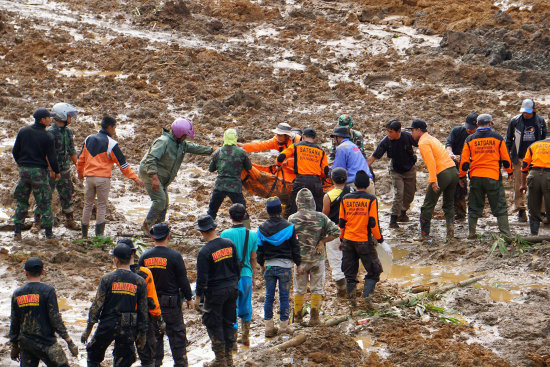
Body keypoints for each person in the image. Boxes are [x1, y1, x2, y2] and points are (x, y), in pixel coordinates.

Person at [139, 118, 212, 234]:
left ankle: (159, 228)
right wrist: (154, 178)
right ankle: (146, 226)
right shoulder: (163, 142)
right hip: (150, 173)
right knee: (160, 200)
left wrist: (213, 150)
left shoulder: (181, 144)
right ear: (178, 134)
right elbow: (150, 159)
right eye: (184, 136)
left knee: (165, 202)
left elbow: (196, 148)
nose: (185, 139)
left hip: (162, 177)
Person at [81, 243, 148, 367]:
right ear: (130, 258)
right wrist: (142, 333)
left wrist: (88, 328)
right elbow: (143, 310)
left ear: (116, 260)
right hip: (128, 327)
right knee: (123, 360)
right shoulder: (140, 281)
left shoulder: (107, 279)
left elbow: (97, 305)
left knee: (93, 356)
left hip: (107, 324)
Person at [77, 116, 144, 238]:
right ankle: (99, 236)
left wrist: (80, 173)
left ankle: (84, 236)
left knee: (87, 205)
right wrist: (135, 178)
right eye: (114, 128)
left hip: (89, 178)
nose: (115, 131)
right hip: (103, 179)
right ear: (109, 127)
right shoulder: (111, 144)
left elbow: (80, 159)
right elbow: (122, 164)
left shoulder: (88, 139)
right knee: (101, 206)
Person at [139, 222, 194, 367]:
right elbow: (183, 279)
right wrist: (189, 298)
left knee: (154, 340)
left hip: (151, 306)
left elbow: (139, 282)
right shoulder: (175, 256)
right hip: (171, 306)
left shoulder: (144, 257)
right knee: (177, 338)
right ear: (169, 236)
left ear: (152, 238)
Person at [9, 257, 78, 367]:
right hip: (46, 343)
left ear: (25, 273)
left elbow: (14, 320)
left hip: (26, 343)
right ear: (43, 272)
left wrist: (14, 345)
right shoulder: (48, 290)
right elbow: (55, 318)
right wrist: (68, 341)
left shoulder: (18, 293)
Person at [289, 188, 340, 326]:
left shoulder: (292, 218)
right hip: (317, 259)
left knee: (299, 289)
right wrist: (322, 241)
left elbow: (289, 239)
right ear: (312, 202)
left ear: (298, 202)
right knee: (317, 288)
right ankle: (314, 318)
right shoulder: (321, 217)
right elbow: (337, 231)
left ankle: (298, 318)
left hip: (300, 261)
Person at [195, 215, 241, 367]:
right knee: (229, 321)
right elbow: (237, 266)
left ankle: (221, 359)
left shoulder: (204, 252)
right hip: (231, 289)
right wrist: (234, 283)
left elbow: (202, 278)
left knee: (213, 323)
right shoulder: (229, 244)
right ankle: (229, 358)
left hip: (215, 292)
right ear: (214, 227)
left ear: (201, 232)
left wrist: (197, 298)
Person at [459, 114, 513, 238]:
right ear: (490, 123)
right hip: (492, 176)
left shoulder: (470, 139)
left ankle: (472, 233)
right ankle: (505, 233)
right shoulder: (498, 138)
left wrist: (461, 176)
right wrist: (510, 172)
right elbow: (506, 159)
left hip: (476, 177)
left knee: (474, 205)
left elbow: (464, 162)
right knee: (499, 205)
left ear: (477, 125)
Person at [12, 108, 60, 240]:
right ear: (42, 120)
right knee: (44, 202)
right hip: (39, 172)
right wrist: (56, 172)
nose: (50, 120)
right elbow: (52, 158)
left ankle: (17, 231)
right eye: (48, 118)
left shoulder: (23, 131)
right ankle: (49, 233)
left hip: (24, 170)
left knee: (22, 201)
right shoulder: (48, 136)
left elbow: (15, 151)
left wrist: (21, 164)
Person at [406, 119, 458, 239]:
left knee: (428, 204)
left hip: (442, 174)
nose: (411, 133)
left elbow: (431, 163)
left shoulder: (423, 142)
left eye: (412, 130)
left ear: (419, 130)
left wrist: (433, 180)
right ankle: (450, 233)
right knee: (449, 203)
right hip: (453, 171)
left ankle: (424, 235)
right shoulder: (432, 138)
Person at [257, 197, 301, 337]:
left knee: (269, 297)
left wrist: (261, 264)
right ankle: (283, 328)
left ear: (267, 211)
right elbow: (295, 248)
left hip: (269, 266)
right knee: (284, 297)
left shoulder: (261, 228)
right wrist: (298, 264)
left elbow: (260, 249)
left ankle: (268, 327)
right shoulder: (289, 227)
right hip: (285, 267)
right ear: (280, 210)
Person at [117, 238, 165, 367]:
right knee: (147, 356)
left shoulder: (113, 277)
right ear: (133, 253)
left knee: (122, 356)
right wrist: (158, 318)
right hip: (143, 319)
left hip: (123, 320)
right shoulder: (145, 273)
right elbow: (152, 299)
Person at [339, 170, 384, 306]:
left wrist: (342, 239)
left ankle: (352, 302)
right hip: (363, 241)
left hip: (348, 240)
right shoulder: (371, 199)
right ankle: (366, 299)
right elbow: (373, 223)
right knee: (374, 270)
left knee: (349, 273)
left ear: (356, 184)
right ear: (367, 184)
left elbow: (341, 222)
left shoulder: (345, 198)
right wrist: (380, 240)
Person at [219, 203, 258, 348]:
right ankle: (246, 337)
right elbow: (253, 258)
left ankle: (233, 341)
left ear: (229, 217)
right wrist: (253, 276)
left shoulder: (224, 235)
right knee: (246, 305)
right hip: (246, 275)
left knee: (231, 308)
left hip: (230, 278)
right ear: (244, 216)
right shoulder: (252, 234)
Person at [367, 120, 418, 228]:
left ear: (398, 131)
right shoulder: (386, 141)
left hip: (409, 168)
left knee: (410, 194)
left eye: (391, 132)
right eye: (387, 131)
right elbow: (373, 157)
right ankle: (393, 220)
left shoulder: (407, 137)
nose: (388, 134)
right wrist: (363, 168)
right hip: (396, 170)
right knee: (399, 193)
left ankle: (402, 213)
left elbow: (422, 144)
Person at [505, 99, 547, 222]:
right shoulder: (515, 121)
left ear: (534, 110)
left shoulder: (540, 121)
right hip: (520, 157)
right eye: (524, 112)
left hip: (536, 159)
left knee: (540, 185)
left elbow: (544, 139)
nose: (526, 114)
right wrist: (508, 158)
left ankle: (542, 211)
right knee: (518, 185)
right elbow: (508, 139)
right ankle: (521, 210)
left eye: (528, 112)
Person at [42, 103, 79, 231]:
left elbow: (72, 150)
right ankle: (38, 220)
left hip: (64, 169)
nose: (71, 118)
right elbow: (45, 154)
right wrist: (50, 169)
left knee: (67, 193)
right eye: (69, 116)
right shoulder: (49, 133)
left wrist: (78, 166)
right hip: (50, 170)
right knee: (46, 195)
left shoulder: (68, 132)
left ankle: (69, 220)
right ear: (62, 115)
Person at [277, 128, 329, 216]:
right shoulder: (321, 151)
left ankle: (292, 227)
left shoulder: (296, 146)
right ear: (314, 138)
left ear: (303, 136)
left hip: (301, 180)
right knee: (318, 210)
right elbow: (325, 171)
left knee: (292, 209)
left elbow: (281, 157)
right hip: (315, 182)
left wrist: (279, 165)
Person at [207, 129, 252, 223]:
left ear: (224, 138)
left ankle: (207, 232)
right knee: (242, 213)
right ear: (235, 138)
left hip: (219, 186)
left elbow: (211, 169)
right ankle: (247, 234)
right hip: (235, 187)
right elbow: (249, 167)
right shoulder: (241, 153)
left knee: (212, 211)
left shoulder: (218, 152)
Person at [322, 167, 351, 297]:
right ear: (346, 178)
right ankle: (352, 286)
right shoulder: (353, 192)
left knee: (335, 260)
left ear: (332, 179)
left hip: (334, 231)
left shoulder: (328, 196)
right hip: (351, 230)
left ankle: (341, 289)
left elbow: (325, 216)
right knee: (350, 259)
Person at [445, 113, 478, 221]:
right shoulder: (457, 131)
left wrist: (466, 158)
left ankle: (468, 213)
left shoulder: (479, 136)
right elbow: (448, 145)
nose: (469, 130)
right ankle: (457, 213)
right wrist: (451, 155)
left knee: (468, 188)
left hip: (473, 163)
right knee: (456, 188)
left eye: (472, 128)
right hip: (455, 162)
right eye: (468, 127)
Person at [520, 134, 550, 235]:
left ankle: (534, 232)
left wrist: (523, 184)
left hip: (534, 175)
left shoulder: (534, 145)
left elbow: (524, 166)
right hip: (549, 176)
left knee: (533, 205)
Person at [331, 126, 374, 191]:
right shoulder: (354, 146)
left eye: (334, 137)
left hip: (355, 185)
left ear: (339, 137)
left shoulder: (341, 148)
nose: (334, 140)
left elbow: (338, 170)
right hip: (368, 182)